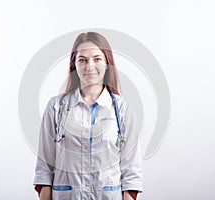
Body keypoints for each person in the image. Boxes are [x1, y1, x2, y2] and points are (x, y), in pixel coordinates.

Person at [34, 32, 143, 200]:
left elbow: (131, 173)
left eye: (97, 59)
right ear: (74, 65)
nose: (89, 66)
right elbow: (44, 168)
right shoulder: (56, 107)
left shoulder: (122, 109)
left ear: (107, 63)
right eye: (82, 60)